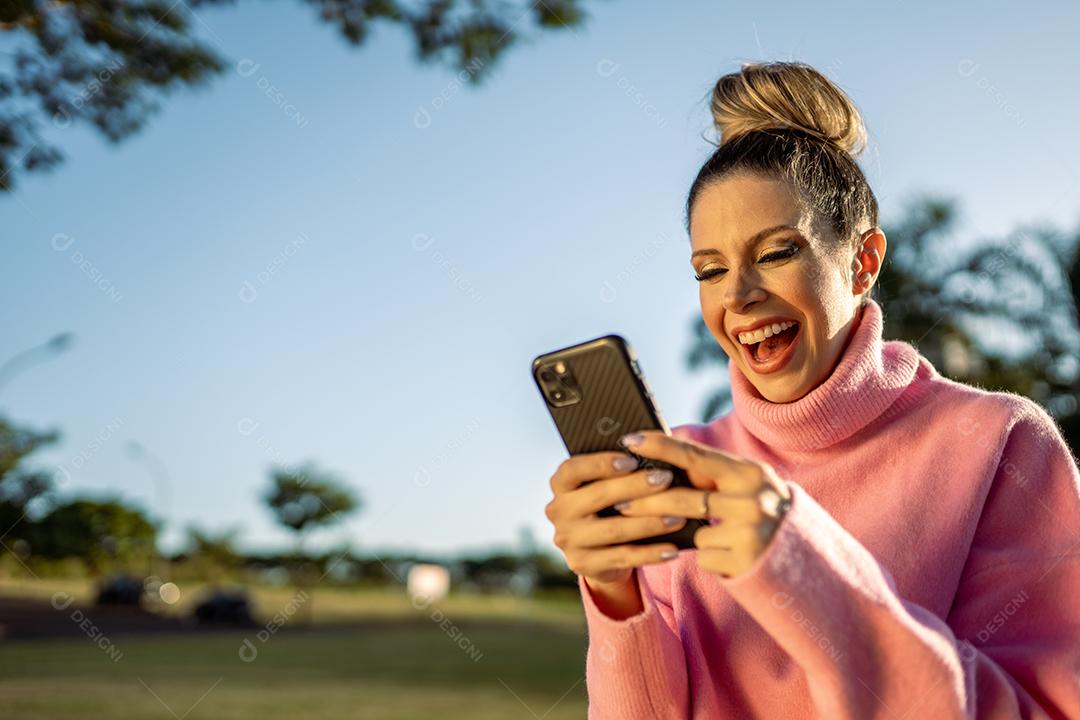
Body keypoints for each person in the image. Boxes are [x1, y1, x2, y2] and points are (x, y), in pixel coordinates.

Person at [543, 60, 1080, 719]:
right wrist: (614, 594)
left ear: (862, 262)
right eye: (710, 270)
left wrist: (802, 569)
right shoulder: (680, 465)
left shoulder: (998, 440)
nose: (737, 295)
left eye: (775, 253)